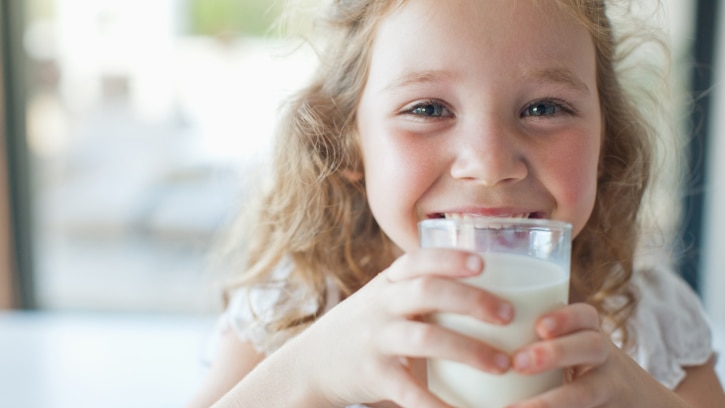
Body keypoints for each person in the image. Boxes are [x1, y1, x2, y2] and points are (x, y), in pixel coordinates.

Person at [187, 0, 725, 407]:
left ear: (607, 140)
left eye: (544, 107)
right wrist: (307, 375)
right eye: (427, 108)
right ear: (346, 141)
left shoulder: (646, 320)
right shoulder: (293, 310)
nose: (490, 164)